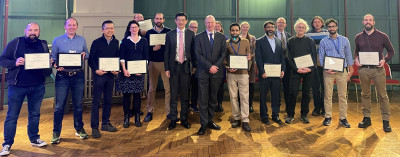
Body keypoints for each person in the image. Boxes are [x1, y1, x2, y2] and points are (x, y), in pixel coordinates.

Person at [0, 23, 50, 156]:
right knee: (12, 116)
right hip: (17, 86)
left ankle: (34, 138)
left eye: (35, 30)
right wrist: (14, 63)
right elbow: (2, 59)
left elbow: (47, 69)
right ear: (25, 31)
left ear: (39, 31)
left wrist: (50, 64)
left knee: (34, 114)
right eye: (30, 30)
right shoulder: (15, 42)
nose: (33, 32)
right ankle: (7, 144)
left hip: (38, 86)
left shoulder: (43, 45)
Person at [51, 17, 89, 144]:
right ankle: (56, 132)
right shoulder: (57, 40)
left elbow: (87, 54)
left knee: (78, 105)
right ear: (65, 27)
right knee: (59, 106)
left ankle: (79, 129)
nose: (71, 27)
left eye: (74, 25)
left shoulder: (82, 40)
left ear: (77, 27)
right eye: (69, 25)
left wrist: (84, 55)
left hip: (78, 75)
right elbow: (53, 58)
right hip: (63, 76)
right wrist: (56, 65)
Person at [354, 14, 394, 132]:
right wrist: (356, 58)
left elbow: (391, 51)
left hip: (378, 70)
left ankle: (386, 121)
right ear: (363, 22)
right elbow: (356, 51)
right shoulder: (358, 37)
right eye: (366, 20)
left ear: (374, 22)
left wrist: (385, 60)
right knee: (365, 94)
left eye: (370, 20)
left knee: (382, 95)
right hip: (363, 70)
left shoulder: (382, 36)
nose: (368, 22)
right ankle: (367, 118)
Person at [195, 15, 227, 135]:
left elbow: (223, 53)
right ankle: (203, 124)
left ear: (215, 23)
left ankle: (209, 120)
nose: (210, 24)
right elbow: (197, 54)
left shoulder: (221, 37)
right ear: (205, 23)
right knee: (203, 99)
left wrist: (215, 67)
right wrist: (209, 67)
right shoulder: (198, 37)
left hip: (216, 73)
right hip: (203, 73)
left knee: (213, 99)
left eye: (212, 22)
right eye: (208, 22)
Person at [319, 18, 353, 128]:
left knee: (342, 95)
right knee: (328, 95)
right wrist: (325, 68)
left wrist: (350, 70)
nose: (331, 28)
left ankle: (343, 119)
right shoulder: (323, 41)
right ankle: (327, 117)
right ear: (327, 28)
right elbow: (321, 57)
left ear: (337, 27)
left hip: (342, 71)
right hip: (328, 71)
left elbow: (348, 55)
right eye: (329, 27)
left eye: (333, 26)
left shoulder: (345, 40)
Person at [88, 20, 119, 138]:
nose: (110, 30)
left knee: (108, 101)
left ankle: (105, 123)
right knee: (96, 102)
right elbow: (91, 59)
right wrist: (96, 70)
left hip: (110, 76)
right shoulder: (96, 42)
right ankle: (94, 127)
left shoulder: (116, 42)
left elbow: (117, 57)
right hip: (99, 76)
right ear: (102, 30)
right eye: (107, 28)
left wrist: (116, 69)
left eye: (112, 28)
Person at [164, 12, 195, 130]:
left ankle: (184, 118)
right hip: (173, 67)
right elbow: (166, 52)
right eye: (179, 20)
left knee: (185, 95)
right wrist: (167, 68)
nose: (181, 22)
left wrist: (194, 66)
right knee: (173, 94)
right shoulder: (169, 34)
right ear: (175, 21)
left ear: (186, 21)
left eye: (183, 20)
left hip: (186, 67)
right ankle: (173, 119)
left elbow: (193, 52)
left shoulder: (191, 34)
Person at [116, 20, 149, 128]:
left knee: (137, 96)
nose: (134, 29)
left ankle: (137, 118)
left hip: (139, 73)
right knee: (126, 96)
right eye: (132, 27)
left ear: (139, 28)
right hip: (127, 73)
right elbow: (122, 57)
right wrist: (124, 70)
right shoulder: (125, 41)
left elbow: (146, 57)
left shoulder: (144, 41)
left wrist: (142, 70)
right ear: (129, 29)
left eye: (136, 27)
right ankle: (126, 118)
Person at [285, 18, 317, 124]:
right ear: (295, 28)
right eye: (299, 27)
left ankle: (304, 115)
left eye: (303, 27)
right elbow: (289, 57)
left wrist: (310, 68)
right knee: (293, 92)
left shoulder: (310, 41)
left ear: (306, 29)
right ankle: (290, 115)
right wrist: (297, 68)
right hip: (295, 70)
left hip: (309, 70)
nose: (301, 29)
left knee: (306, 93)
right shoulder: (290, 41)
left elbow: (313, 56)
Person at [255, 21, 286, 125]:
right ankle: (264, 116)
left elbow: (282, 57)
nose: (270, 29)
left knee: (276, 96)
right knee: (263, 96)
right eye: (268, 27)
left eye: (272, 27)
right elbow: (258, 58)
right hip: (264, 75)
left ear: (274, 28)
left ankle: (275, 115)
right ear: (265, 29)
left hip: (276, 74)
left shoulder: (278, 41)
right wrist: (262, 72)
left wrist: (283, 70)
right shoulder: (259, 41)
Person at [144, 13, 172, 122]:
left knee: (168, 89)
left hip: (166, 64)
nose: (159, 20)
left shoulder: (169, 32)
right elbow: (146, 49)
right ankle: (150, 111)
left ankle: (169, 112)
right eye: (157, 18)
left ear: (164, 20)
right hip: (153, 63)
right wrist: (153, 49)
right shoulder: (149, 32)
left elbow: (172, 47)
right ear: (154, 20)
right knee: (151, 88)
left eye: (161, 18)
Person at [224, 22, 252, 132]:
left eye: (236, 30)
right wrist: (227, 67)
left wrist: (248, 61)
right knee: (233, 96)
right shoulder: (226, 43)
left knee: (244, 96)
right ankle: (236, 118)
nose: (235, 32)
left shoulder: (245, 42)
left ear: (239, 31)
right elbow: (224, 58)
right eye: (233, 30)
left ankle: (245, 120)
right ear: (230, 31)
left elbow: (249, 56)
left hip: (243, 74)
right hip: (231, 74)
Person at [306, 16, 328, 116]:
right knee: (315, 87)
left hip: (325, 63)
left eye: (319, 22)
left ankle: (324, 108)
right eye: (315, 22)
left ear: (322, 23)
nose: (317, 24)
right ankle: (316, 108)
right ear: (312, 24)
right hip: (313, 63)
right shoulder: (308, 34)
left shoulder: (327, 33)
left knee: (325, 87)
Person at [275, 17, 292, 111]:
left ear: (285, 25)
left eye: (283, 23)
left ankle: (288, 106)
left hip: (287, 64)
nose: (281, 24)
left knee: (287, 85)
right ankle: (277, 105)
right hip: (275, 63)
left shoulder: (289, 35)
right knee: (276, 84)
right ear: (276, 24)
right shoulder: (271, 35)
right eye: (279, 22)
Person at [240, 21, 256, 113]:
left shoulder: (253, 38)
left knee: (250, 84)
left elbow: (254, 51)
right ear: (241, 28)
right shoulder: (237, 37)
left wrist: (251, 56)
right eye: (243, 27)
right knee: (240, 85)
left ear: (248, 28)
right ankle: (241, 104)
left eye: (246, 27)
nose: (245, 29)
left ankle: (250, 105)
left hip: (250, 64)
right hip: (239, 65)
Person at [214, 20, 227, 112]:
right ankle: (213, 104)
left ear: (221, 28)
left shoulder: (225, 38)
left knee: (220, 86)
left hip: (221, 66)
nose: (217, 27)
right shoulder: (209, 36)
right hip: (211, 66)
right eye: (216, 26)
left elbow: (225, 53)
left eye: (219, 26)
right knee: (212, 86)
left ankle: (220, 103)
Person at [187, 20, 199, 113]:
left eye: (195, 27)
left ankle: (194, 105)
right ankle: (187, 105)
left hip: (197, 67)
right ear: (188, 27)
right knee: (186, 87)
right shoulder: (185, 37)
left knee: (195, 88)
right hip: (186, 66)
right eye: (192, 27)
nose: (194, 29)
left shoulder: (199, 38)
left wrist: (195, 66)